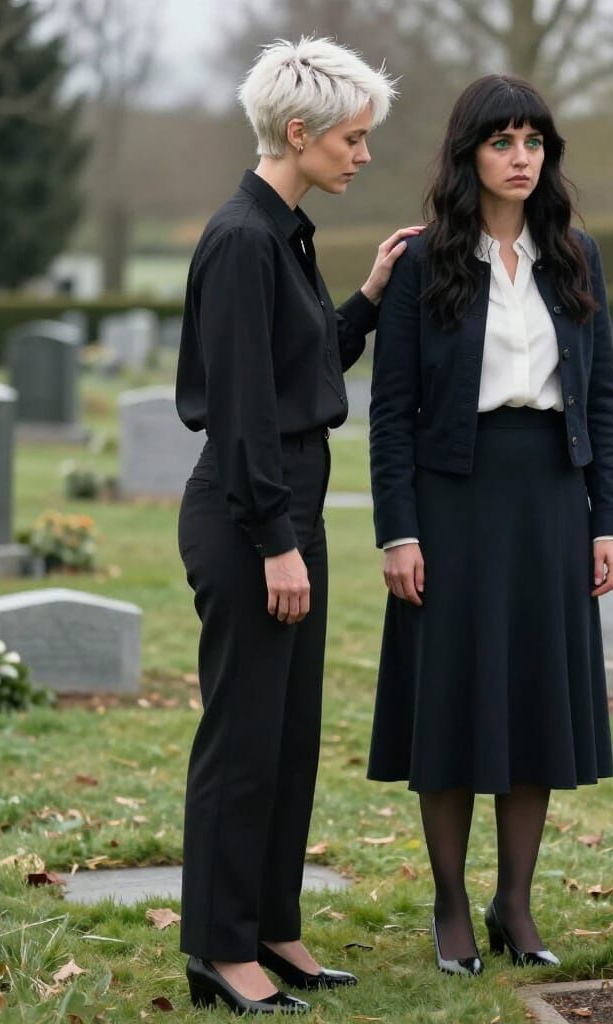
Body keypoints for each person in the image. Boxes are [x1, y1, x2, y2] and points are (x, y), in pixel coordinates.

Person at [176, 37, 419, 1015]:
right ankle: (219, 948)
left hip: (284, 507)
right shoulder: (240, 239)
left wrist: (364, 298)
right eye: (353, 139)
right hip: (248, 516)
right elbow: (239, 408)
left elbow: (301, 362)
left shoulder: (286, 232)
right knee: (243, 737)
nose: (362, 155)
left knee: (289, 734)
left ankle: (274, 926)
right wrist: (276, 537)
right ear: (297, 133)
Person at [367, 73, 613, 977]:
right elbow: (390, 411)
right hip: (452, 500)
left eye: (534, 142)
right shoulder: (424, 262)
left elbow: (602, 399)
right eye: (501, 142)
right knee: (450, 702)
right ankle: (448, 902)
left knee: (534, 704)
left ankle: (513, 903)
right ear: (468, 154)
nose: (521, 158)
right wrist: (397, 532)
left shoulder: (575, 257)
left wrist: (610, 523)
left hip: (553, 498)